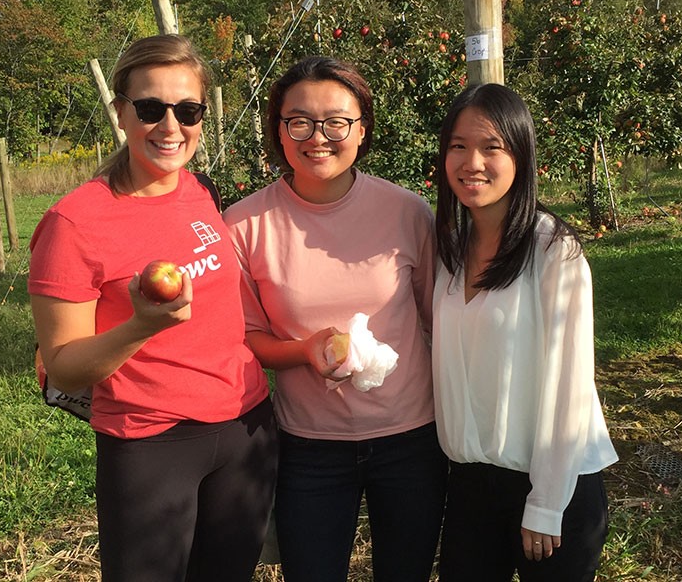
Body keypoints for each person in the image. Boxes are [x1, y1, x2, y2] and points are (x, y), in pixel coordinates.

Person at [28, 34, 277, 582]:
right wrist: (140, 327)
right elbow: (64, 365)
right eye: (150, 108)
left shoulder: (201, 191)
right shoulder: (75, 223)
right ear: (120, 111)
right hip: (150, 441)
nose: (171, 126)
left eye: (188, 110)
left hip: (244, 427)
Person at [223, 56, 447, 582]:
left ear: (361, 129)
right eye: (298, 120)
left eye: (336, 122)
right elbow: (249, 337)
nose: (317, 136)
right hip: (309, 443)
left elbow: (439, 315)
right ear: (277, 128)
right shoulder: (244, 224)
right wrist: (303, 351)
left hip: (411, 436)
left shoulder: (407, 212)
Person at [431, 82, 619, 582]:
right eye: (458, 146)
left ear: (520, 155)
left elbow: (569, 383)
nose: (473, 162)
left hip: (550, 486)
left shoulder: (553, 251)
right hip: (471, 484)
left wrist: (545, 502)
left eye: (492, 147)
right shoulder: (450, 250)